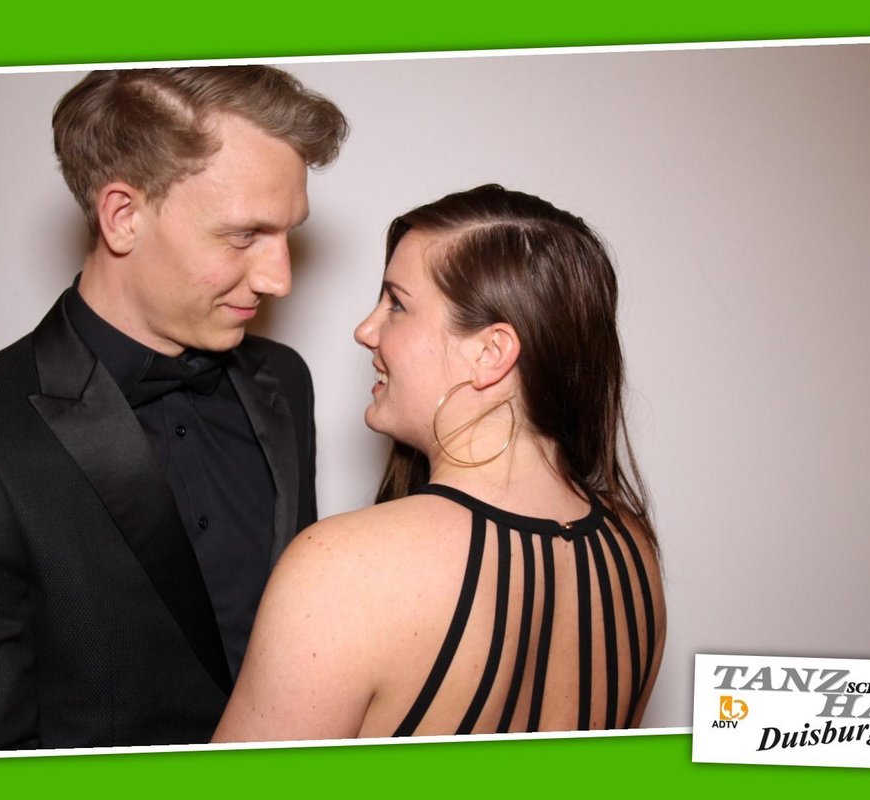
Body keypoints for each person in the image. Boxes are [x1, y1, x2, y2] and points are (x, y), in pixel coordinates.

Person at [0, 67, 348, 753]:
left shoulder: (284, 380)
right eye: (244, 235)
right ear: (123, 216)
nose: (279, 278)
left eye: (288, 235)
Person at [214, 184, 665, 741]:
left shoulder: (344, 569)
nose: (366, 330)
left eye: (397, 305)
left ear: (490, 354)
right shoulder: (632, 550)